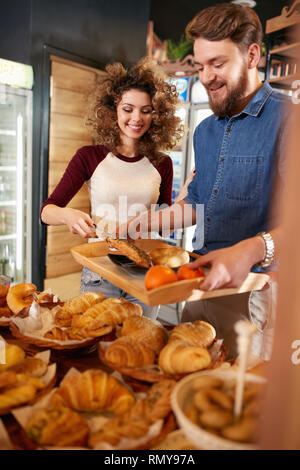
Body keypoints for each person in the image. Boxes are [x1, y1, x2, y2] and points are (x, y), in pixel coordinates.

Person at [118, 3, 290, 358]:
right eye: (200, 65)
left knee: (241, 404)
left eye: (218, 63)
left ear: (252, 54)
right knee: (185, 378)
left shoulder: (289, 121)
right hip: (197, 282)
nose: (206, 76)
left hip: (255, 296)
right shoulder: (206, 130)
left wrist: (251, 249)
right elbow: (198, 203)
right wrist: (145, 223)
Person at [40, 58, 183, 319]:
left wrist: (184, 197)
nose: (136, 118)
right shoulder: (89, 156)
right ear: (112, 110)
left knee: (141, 349)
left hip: (146, 274)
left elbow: (165, 226)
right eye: (128, 109)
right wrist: (67, 215)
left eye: (146, 110)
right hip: (100, 274)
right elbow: (46, 211)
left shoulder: (163, 163)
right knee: (96, 348)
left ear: (158, 114)